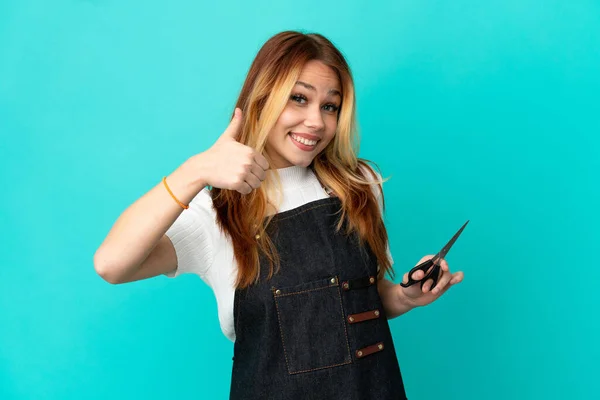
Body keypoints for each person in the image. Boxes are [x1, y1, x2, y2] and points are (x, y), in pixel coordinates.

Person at [94, 30, 464, 400]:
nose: (316, 121)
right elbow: (112, 264)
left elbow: (351, 304)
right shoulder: (216, 213)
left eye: (329, 106)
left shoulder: (360, 186)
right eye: (298, 99)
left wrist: (405, 297)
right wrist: (195, 171)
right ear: (262, 100)